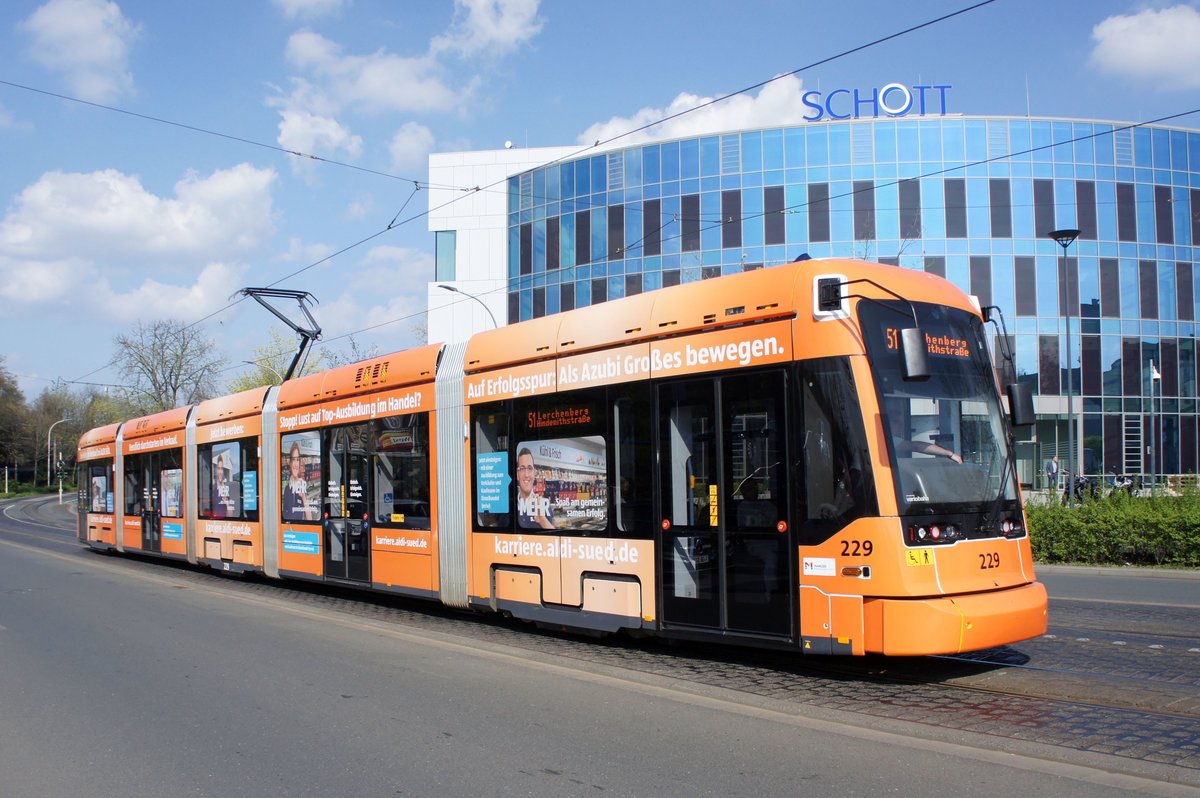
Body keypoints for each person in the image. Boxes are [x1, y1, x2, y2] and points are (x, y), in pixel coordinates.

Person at [889, 414, 962, 463]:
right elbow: (916, 447)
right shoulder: (889, 440)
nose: (901, 425)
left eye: (902, 422)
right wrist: (950, 454)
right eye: (896, 422)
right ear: (888, 422)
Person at [515, 447, 555, 529]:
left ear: (534, 474)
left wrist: (542, 519)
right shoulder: (509, 504)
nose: (526, 475)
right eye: (522, 468)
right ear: (517, 475)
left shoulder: (544, 504)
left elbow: (553, 536)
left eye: (530, 468)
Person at [283, 442, 314, 521]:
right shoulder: (286, 489)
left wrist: (303, 498)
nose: (296, 464)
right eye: (293, 459)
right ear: (290, 463)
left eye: (297, 460)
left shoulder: (303, 486)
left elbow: (309, 518)